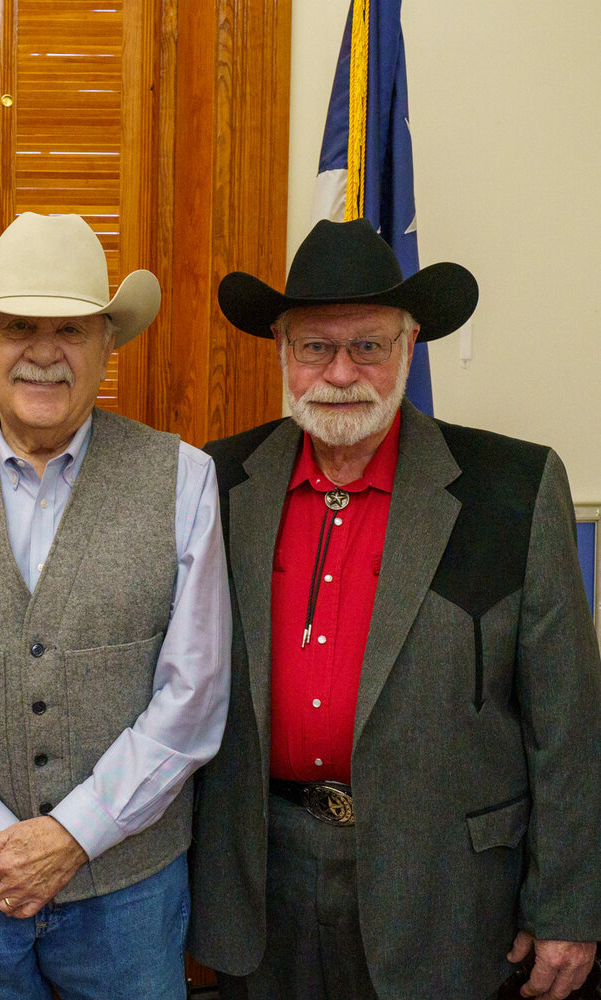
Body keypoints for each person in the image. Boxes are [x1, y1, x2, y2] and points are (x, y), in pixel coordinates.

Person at [189, 217, 601, 1000]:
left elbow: (569, 726)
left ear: (410, 349)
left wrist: (569, 908)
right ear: (284, 354)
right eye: (316, 347)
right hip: (260, 881)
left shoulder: (511, 489)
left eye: (369, 346)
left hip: (446, 892)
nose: (341, 372)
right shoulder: (216, 480)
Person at [0, 212, 230, 999]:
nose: (45, 352)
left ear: (108, 346)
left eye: (72, 329)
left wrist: (74, 834)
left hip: (130, 885)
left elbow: (195, 694)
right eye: (20, 326)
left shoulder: (183, 479)